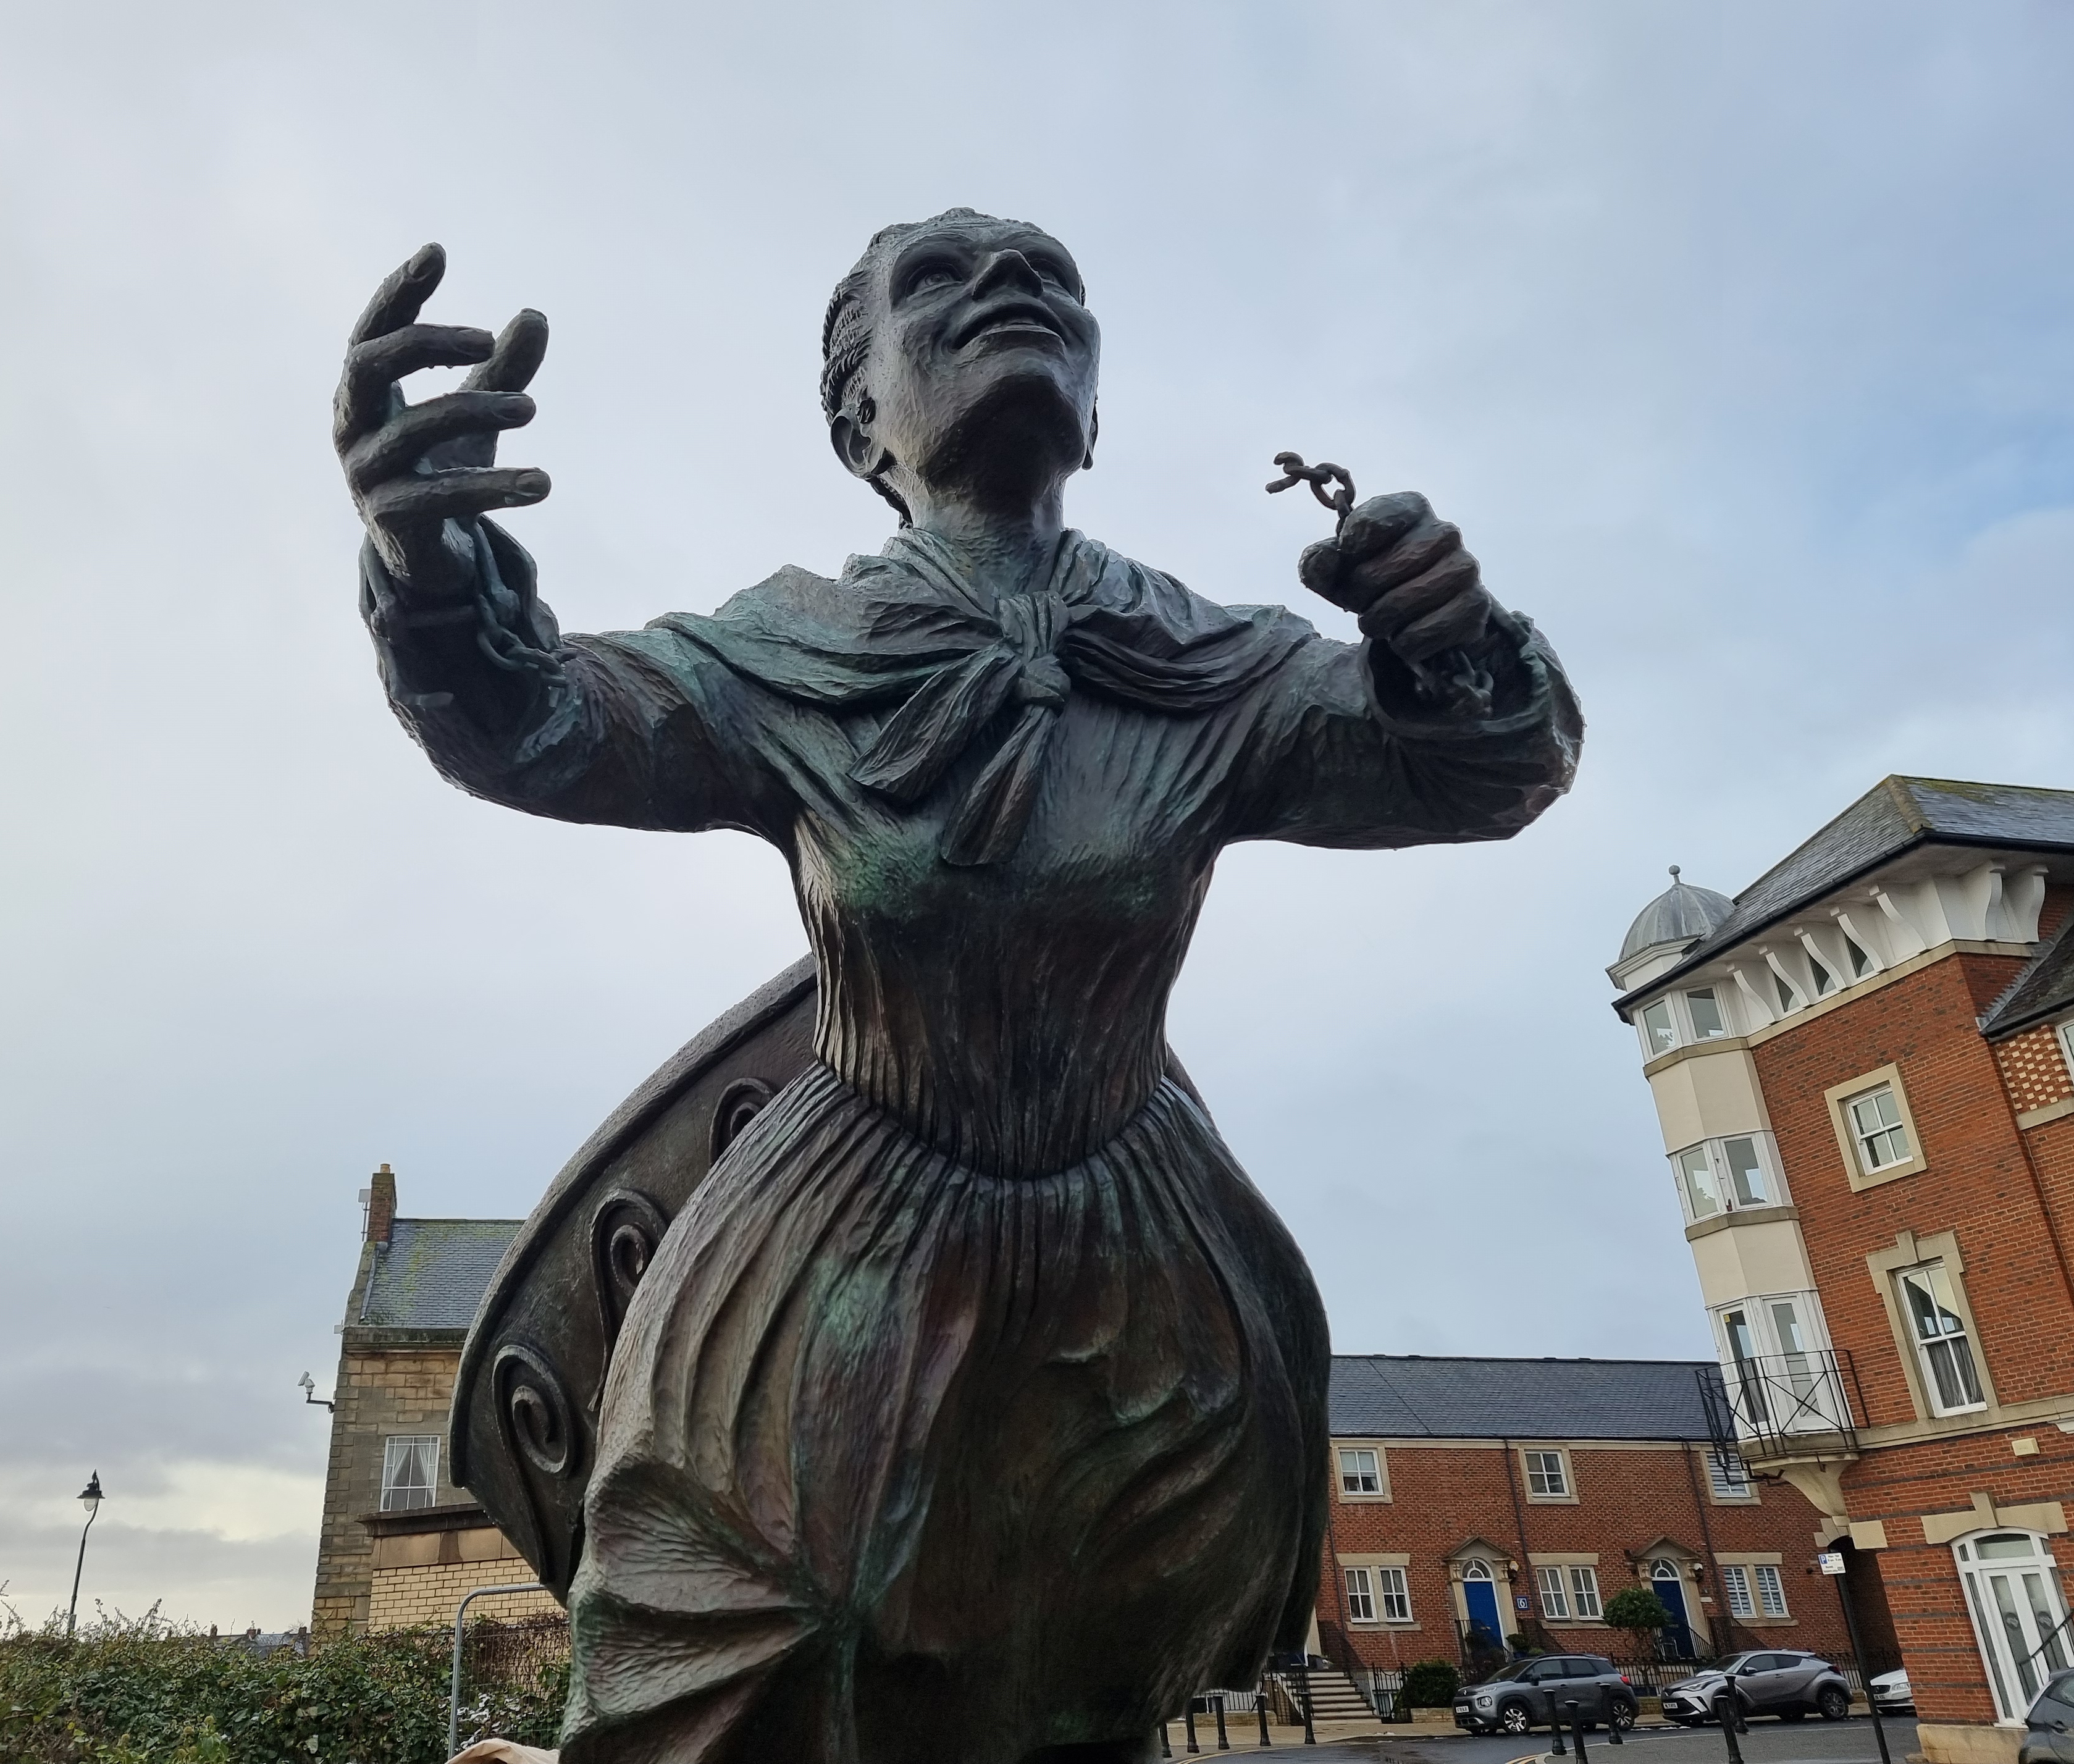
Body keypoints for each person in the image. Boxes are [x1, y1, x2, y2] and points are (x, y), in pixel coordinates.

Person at [338, 210, 1581, 1764]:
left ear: (1098, 412)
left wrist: (1443, 640)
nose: (1010, 291)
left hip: (1136, 1254)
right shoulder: (790, 654)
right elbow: (533, 721)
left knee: (1087, 1670)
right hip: (843, 1231)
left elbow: (1481, 769)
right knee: (754, 1640)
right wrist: (428, 565)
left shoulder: (1211, 665)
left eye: (1050, 281)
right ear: (862, 422)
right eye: (941, 281)